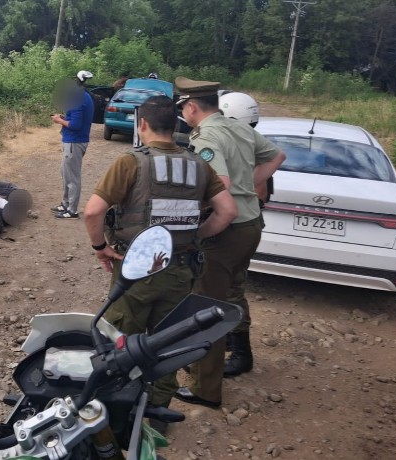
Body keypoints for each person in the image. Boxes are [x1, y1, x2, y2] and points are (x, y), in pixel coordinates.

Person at [83, 96, 238, 420]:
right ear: (175, 125)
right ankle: (155, 414)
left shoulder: (130, 162)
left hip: (135, 273)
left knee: (119, 341)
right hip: (181, 272)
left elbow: (93, 211)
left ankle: (117, 412)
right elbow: (228, 211)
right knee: (167, 345)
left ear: (142, 124)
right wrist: (197, 237)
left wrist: (100, 248)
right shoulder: (199, 165)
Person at [172, 77, 285, 408]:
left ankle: (206, 389)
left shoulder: (207, 135)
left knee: (208, 308)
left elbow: (218, 184)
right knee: (230, 293)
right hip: (250, 225)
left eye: (184, 108)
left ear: (191, 106)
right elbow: (278, 156)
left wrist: (202, 231)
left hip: (227, 229)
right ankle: (203, 360)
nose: (184, 114)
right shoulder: (236, 127)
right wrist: (246, 184)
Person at [51, 71, 95, 219]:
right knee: (65, 173)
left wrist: (59, 120)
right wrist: (65, 117)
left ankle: (72, 210)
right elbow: (77, 118)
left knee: (72, 177)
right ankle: (65, 203)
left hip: (74, 142)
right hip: (75, 140)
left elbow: (75, 125)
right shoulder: (85, 96)